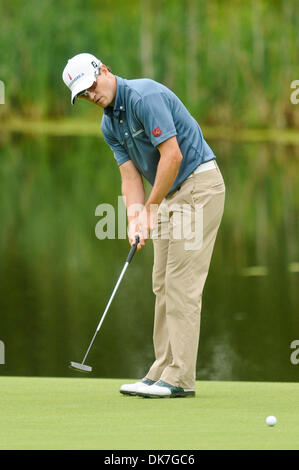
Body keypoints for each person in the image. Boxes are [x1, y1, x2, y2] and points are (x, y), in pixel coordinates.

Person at [62, 53, 225, 398]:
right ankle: (161, 371)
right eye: (83, 95)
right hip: (168, 195)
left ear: (103, 70)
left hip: (198, 187)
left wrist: (150, 209)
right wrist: (136, 218)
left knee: (181, 284)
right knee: (161, 283)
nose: (91, 95)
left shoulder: (143, 97)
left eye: (90, 86)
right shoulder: (109, 124)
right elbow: (129, 175)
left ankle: (180, 379)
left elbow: (173, 156)